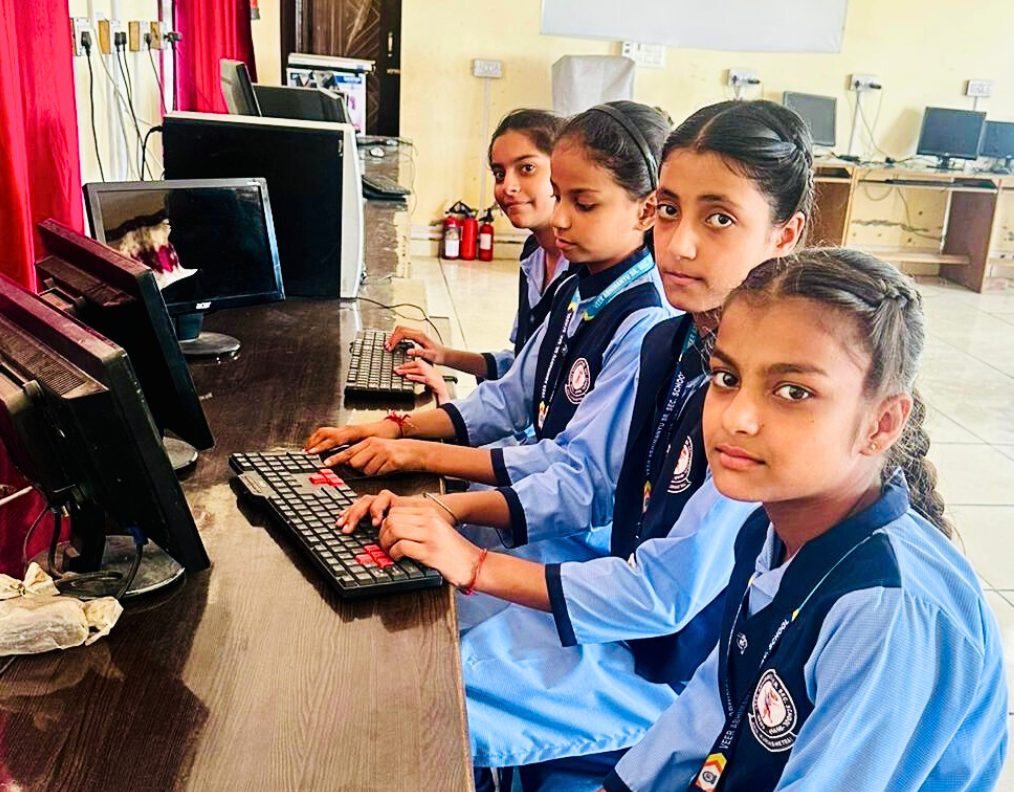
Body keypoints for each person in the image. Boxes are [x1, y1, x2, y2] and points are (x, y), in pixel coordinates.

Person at [340, 100, 815, 787]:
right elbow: (589, 478)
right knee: (404, 621)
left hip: (671, 667)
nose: (680, 245)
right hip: (618, 611)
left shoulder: (764, 397)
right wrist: (434, 493)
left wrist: (473, 560)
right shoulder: (670, 339)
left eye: (719, 219)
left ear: (784, 233)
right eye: (670, 211)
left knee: (416, 691)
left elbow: (664, 594)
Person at [596, 249, 1008, 791]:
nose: (737, 417)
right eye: (726, 377)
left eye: (793, 392)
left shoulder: (885, 612)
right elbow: (716, 701)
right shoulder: (768, 527)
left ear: (881, 425)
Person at [306, 103, 670, 532]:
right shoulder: (578, 288)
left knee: (390, 539)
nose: (559, 218)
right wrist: (396, 428)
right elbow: (509, 396)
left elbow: (580, 484)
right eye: (559, 196)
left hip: (567, 539)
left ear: (646, 211)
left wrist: (421, 454)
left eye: (584, 204)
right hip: (531, 494)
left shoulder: (644, 325)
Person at [389, 109, 572, 400]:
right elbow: (521, 364)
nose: (508, 187)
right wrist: (443, 355)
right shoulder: (534, 254)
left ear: (563, 172)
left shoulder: (583, 275)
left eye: (526, 168)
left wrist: (450, 404)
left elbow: (540, 392)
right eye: (500, 174)